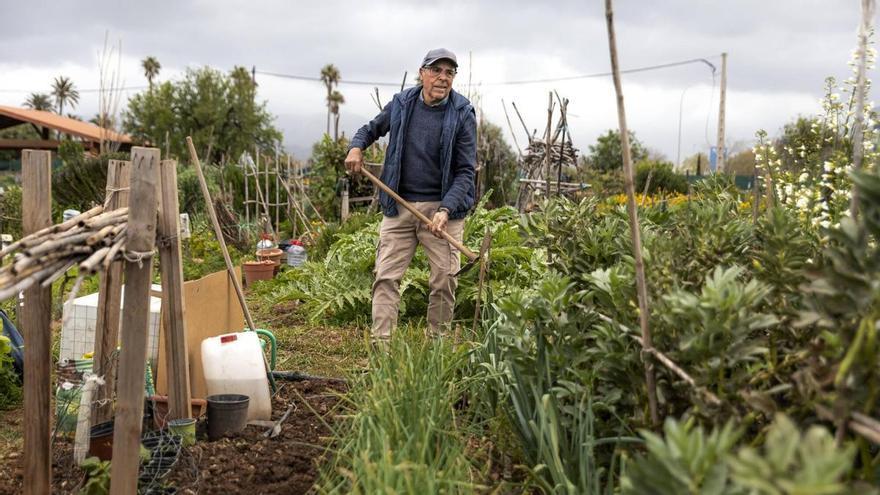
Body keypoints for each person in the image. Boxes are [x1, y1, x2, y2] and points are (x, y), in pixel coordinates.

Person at [345, 48, 477, 344]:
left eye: (449, 72)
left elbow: (466, 172)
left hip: (444, 210)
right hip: (399, 206)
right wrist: (356, 147)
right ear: (422, 73)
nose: (443, 78)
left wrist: (445, 210)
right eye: (436, 70)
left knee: (444, 280)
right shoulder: (403, 104)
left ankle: (436, 346)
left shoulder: (462, 113)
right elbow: (370, 129)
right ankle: (382, 348)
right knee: (386, 277)